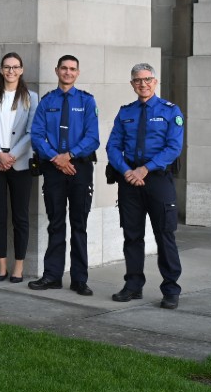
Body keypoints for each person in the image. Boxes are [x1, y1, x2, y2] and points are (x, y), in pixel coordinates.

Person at [106, 64, 185, 309]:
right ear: (132, 84)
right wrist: (128, 171)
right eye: (138, 80)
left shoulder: (171, 111)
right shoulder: (125, 112)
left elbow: (174, 147)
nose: (143, 84)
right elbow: (112, 146)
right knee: (132, 236)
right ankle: (133, 285)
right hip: (129, 180)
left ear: (155, 81)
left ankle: (171, 289)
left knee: (165, 235)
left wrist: (145, 169)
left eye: (147, 79)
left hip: (158, 179)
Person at [29, 55, 99, 296]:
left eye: (72, 69)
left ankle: (79, 279)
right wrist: (56, 159)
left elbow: (93, 138)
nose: (68, 72)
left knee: (79, 225)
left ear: (77, 73)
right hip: (53, 170)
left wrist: (68, 155)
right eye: (64, 68)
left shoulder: (87, 101)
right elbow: (37, 135)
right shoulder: (47, 102)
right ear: (56, 70)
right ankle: (52, 276)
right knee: (56, 223)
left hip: (80, 170)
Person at [0, 52, 39, 283]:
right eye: (7, 67)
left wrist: (11, 155)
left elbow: (33, 131)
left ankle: (19, 267)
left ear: (21, 70)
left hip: (20, 163)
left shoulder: (31, 97)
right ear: (2, 70)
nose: (11, 71)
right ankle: (2, 266)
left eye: (15, 67)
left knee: (20, 217)